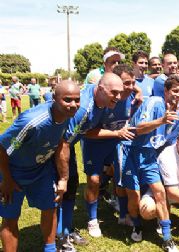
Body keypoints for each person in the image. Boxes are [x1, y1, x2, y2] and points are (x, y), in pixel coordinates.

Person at [0, 80, 80, 252]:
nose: (73, 105)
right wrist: (6, 179)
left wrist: (64, 179)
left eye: (76, 99)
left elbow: (60, 145)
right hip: (13, 171)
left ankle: (50, 249)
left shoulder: (67, 116)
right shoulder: (32, 121)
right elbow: (2, 148)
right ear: (54, 99)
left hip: (41, 170)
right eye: (67, 99)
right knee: (10, 217)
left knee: (50, 208)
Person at [55, 73, 124, 251]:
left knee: (71, 188)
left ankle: (67, 230)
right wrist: (63, 175)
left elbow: (85, 133)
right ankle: (59, 237)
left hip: (68, 147)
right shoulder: (84, 108)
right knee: (59, 191)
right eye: (114, 92)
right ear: (100, 88)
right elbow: (63, 141)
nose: (118, 97)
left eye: (120, 92)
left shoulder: (102, 103)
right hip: (54, 149)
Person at [121, 75, 179, 251]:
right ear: (166, 91)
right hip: (132, 153)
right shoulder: (155, 102)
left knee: (160, 193)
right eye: (175, 90)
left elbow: (167, 139)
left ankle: (167, 237)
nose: (178, 94)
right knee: (133, 196)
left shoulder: (176, 113)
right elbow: (139, 129)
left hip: (149, 156)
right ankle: (137, 225)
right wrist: (161, 120)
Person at [81, 64, 138, 236]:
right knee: (94, 180)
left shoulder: (130, 95)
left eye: (133, 83)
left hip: (117, 142)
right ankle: (92, 219)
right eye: (126, 83)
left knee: (119, 177)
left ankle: (122, 214)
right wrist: (116, 132)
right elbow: (88, 131)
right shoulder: (104, 98)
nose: (129, 87)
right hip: (95, 143)